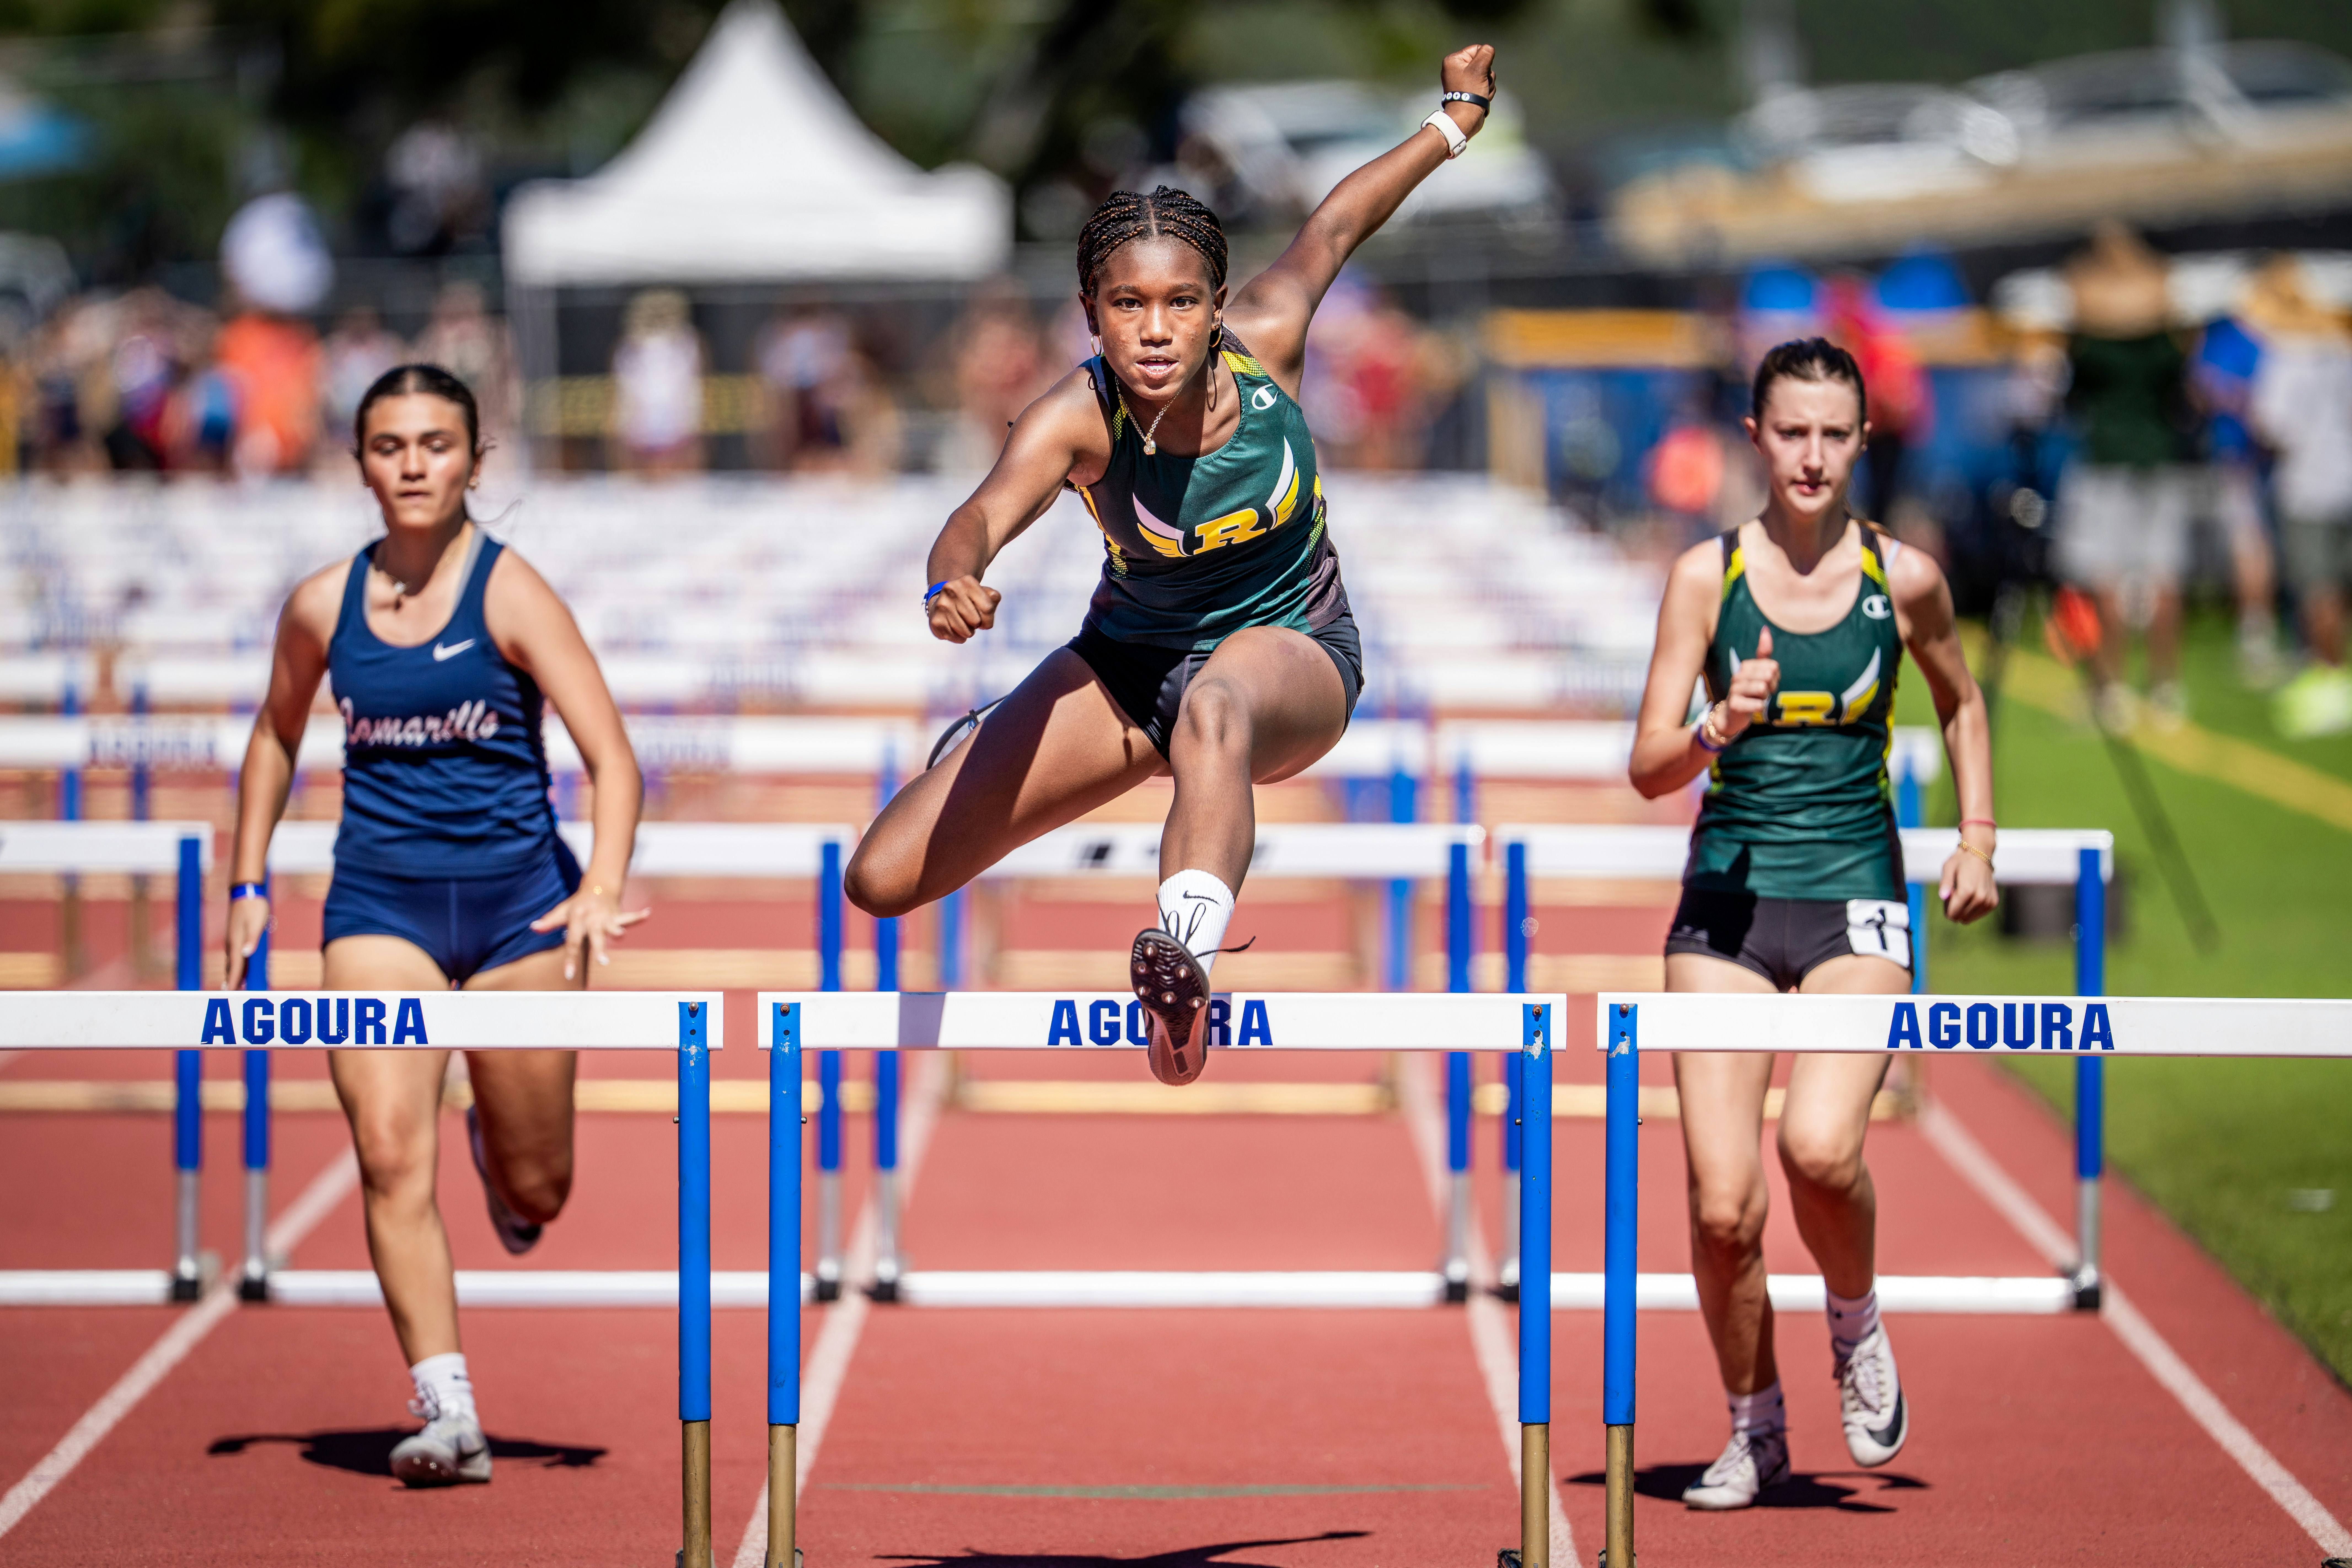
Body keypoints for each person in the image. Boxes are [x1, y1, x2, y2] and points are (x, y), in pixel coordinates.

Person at [845, 44, 1502, 1086]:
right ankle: (1030, 746)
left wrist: (1455, 121)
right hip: (1128, 665)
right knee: (880, 878)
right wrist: (948, 582)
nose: (1155, 331)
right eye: (1127, 306)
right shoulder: (1073, 417)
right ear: (1090, 310)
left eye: (1181, 303)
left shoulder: (1274, 340)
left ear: (1218, 304)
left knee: (1217, 705)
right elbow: (974, 519)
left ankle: (1182, 955)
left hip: (1293, 653)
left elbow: (1337, 219)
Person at [224, 364, 646, 1487]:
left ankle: (503, 1160)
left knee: (539, 1187)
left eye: (436, 444)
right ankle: (447, 1409)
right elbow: (274, 735)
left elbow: (612, 757)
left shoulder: (511, 595)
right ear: (359, 460)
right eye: (390, 445)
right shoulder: (322, 603)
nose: (413, 465)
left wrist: (599, 885)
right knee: (387, 1151)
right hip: (379, 908)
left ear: (473, 460)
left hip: (520, 912)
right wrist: (248, 881)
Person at [1628, 337, 1999, 1509]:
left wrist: (1976, 839)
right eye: (1793, 432)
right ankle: (1756, 1425)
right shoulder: (1706, 578)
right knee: (1724, 1205)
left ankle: (1856, 1320)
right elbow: (1644, 768)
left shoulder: (1909, 578)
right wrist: (1712, 731)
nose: (1813, 456)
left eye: (1836, 435)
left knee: (1822, 1150)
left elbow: (1963, 700)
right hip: (1728, 909)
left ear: (1863, 442)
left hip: (1855, 899)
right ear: (1755, 436)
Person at [2056, 223, 2197, 731]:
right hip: (2158, 459)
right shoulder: (2166, 345)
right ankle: (2165, 687)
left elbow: (2069, 397)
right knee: (2164, 577)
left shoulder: (2090, 347)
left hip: (2105, 461)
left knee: (2106, 578)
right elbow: (2183, 392)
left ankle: (2110, 690)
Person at [2245, 256, 2352, 739]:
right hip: (2345, 479)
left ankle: (2329, 681)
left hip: (2309, 485)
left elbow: (2274, 428)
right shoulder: (2341, 348)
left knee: (2318, 589)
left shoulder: (2288, 355)